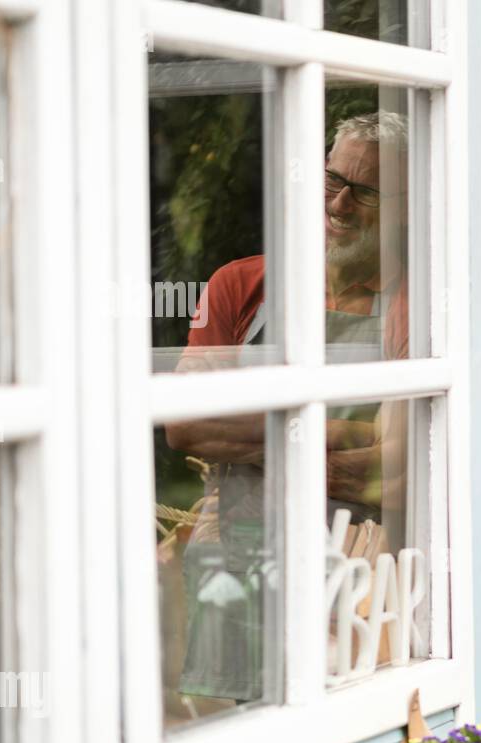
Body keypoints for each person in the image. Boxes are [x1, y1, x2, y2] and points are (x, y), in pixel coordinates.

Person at [165, 110, 410, 702]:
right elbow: (183, 426)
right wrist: (346, 432)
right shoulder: (242, 285)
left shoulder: (412, 308)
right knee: (232, 731)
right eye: (331, 180)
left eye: (366, 191)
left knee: (334, 719)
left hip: (351, 565)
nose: (339, 204)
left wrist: (254, 433)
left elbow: (394, 469)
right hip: (236, 555)